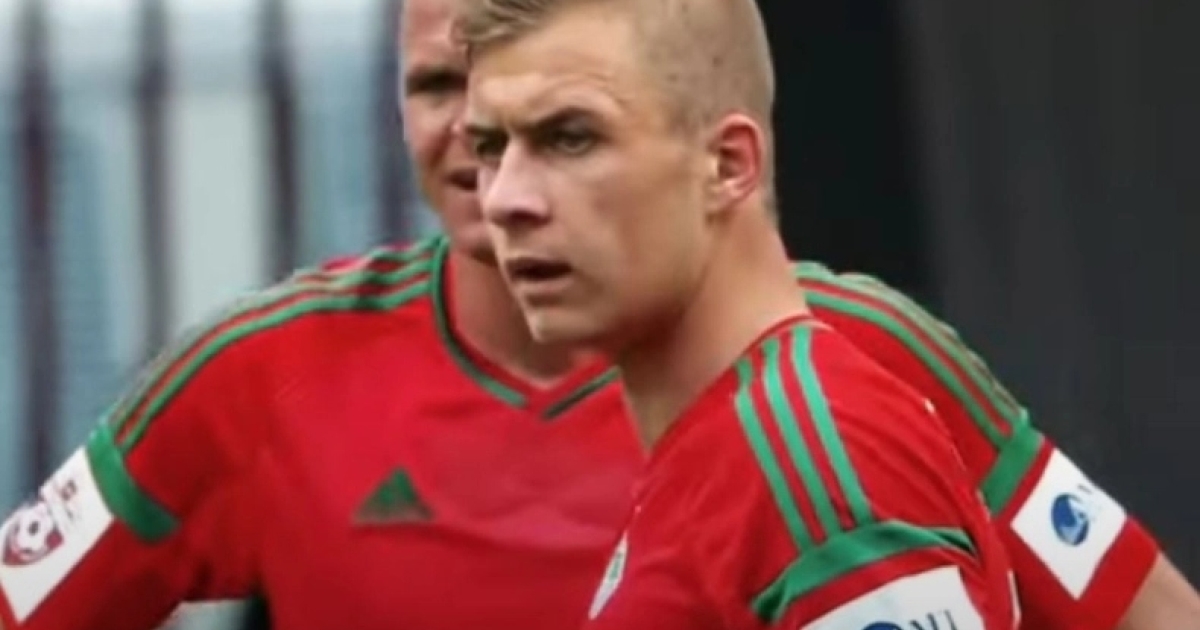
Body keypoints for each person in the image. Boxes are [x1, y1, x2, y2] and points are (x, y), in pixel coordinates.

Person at [0, 0, 1193, 628]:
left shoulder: (824, 413)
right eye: (457, 107)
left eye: (565, 134)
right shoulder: (265, 373)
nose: (500, 183)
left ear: (726, 160)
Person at [456, 0, 1200, 628]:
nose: (505, 199)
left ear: (729, 164)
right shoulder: (824, 365)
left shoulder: (809, 449)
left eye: (571, 138)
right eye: (489, 148)